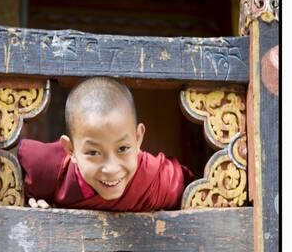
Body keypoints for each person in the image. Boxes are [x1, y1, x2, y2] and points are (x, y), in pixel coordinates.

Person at [18, 77, 192, 211]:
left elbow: (196, 195)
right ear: (70, 149)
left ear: (138, 138)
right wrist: (30, 203)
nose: (111, 169)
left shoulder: (160, 181)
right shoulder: (46, 170)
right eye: (93, 153)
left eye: (123, 149)